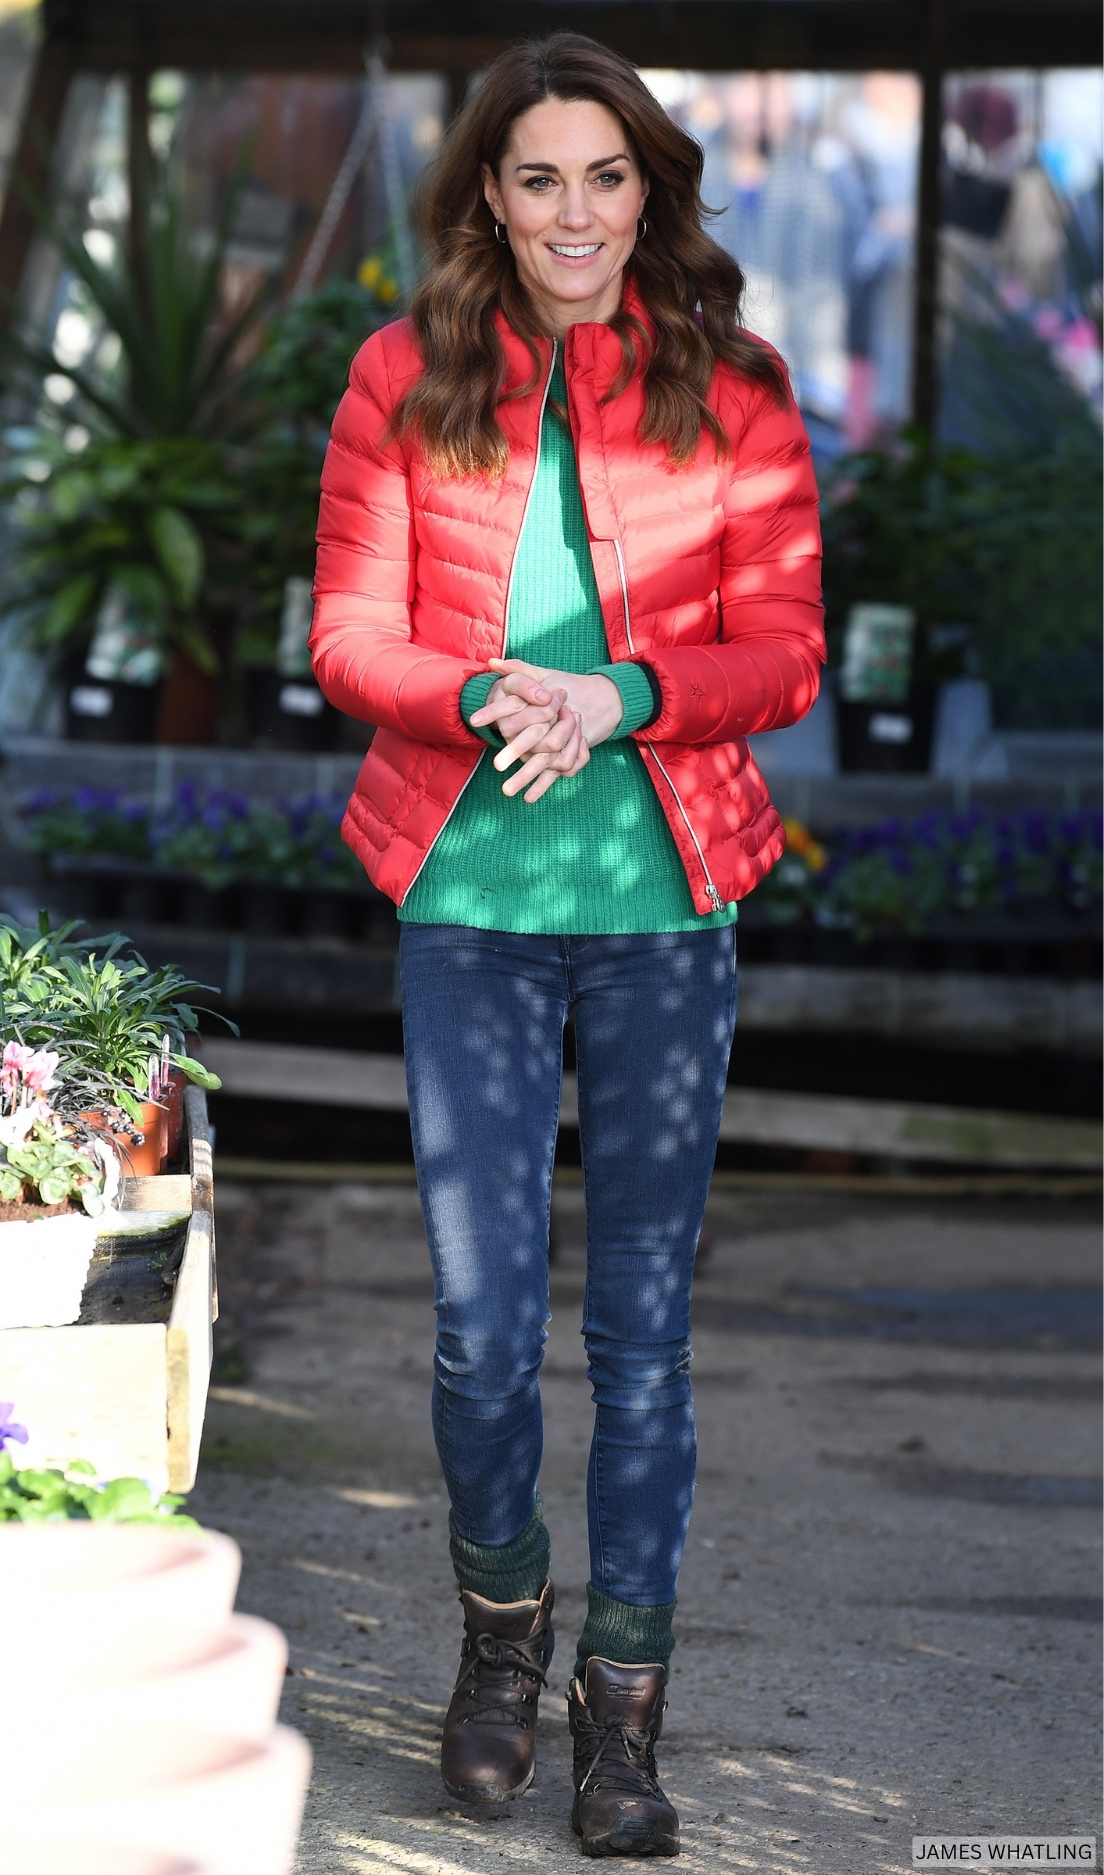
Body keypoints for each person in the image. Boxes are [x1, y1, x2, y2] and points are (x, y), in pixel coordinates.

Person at [311, 32, 823, 1859]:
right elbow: (347, 637)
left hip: (667, 917)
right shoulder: (402, 373)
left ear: (651, 190)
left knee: (649, 1342)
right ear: (486, 199)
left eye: (606, 177)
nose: (575, 213)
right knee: (476, 1339)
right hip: (471, 914)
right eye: (539, 178)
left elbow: (785, 655)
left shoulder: (736, 387)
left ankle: (627, 1712)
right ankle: (500, 1637)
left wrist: (615, 697)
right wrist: (475, 690)